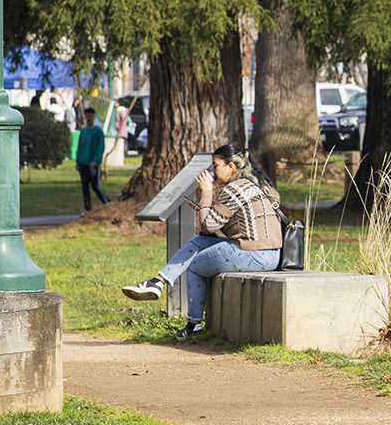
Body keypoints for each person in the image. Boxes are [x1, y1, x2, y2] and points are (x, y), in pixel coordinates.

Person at [119, 142, 282, 339]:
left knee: (196, 265)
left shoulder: (235, 189)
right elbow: (210, 229)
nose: (212, 171)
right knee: (198, 242)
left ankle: (194, 324)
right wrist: (208, 205)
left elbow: (208, 226)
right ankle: (158, 282)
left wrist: (206, 192)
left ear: (231, 167)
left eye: (215, 165)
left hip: (258, 255)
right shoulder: (245, 185)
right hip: (262, 252)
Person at [74, 106, 110, 211]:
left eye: (90, 116)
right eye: (87, 116)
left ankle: (106, 203)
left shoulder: (98, 131)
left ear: (94, 117)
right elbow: (79, 147)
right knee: (85, 187)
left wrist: (96, 160)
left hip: (93, 164)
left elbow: (100, 147)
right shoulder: (84, 131)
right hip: (83, 163)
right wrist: (78, 160)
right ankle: (88, 208)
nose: (89, 118)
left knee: (95, 186)